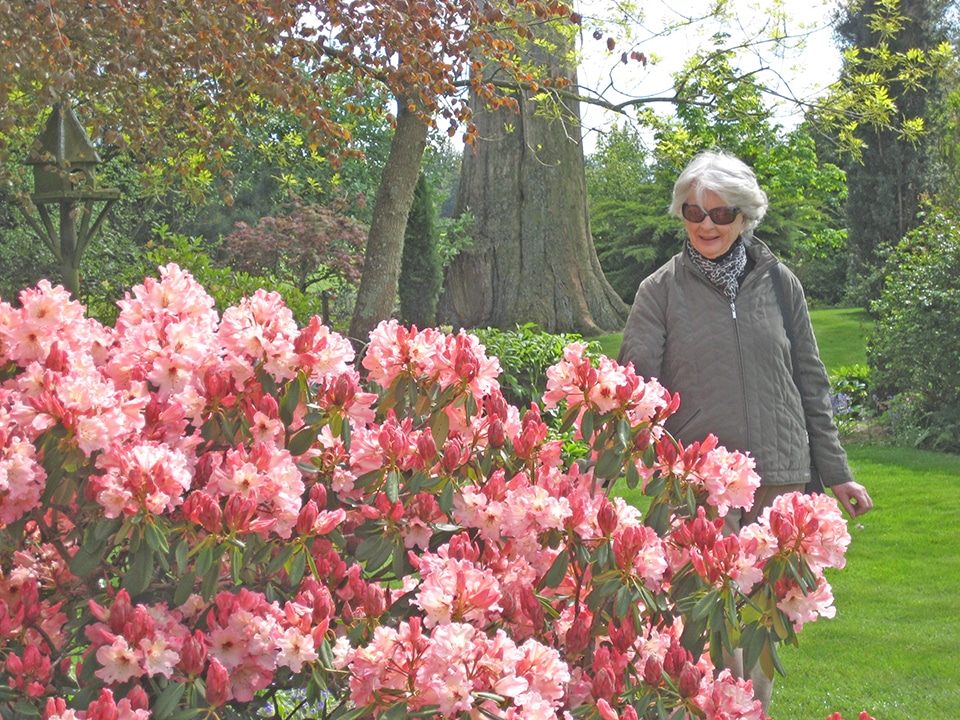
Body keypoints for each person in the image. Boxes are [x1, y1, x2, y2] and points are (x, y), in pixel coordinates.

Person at [617, 149, 872, 709]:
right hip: (701, 484)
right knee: (708, 622)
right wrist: (664, 469)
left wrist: (839, 475)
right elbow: (635, 392)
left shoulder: (782, 286)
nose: (706, 224)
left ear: (745, 216)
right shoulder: (658, 291)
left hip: (780, 478)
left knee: (765, 618)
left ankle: (754, 708)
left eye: (721, 213)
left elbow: (810, 381)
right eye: (693, 211)